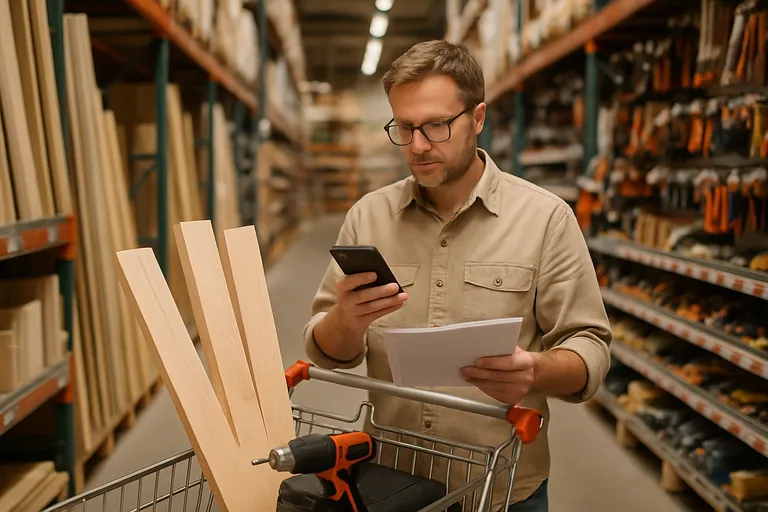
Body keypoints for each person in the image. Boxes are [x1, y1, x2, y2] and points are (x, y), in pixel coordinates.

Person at [302, 39, 612, 511]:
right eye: (404, 127)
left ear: (478, 118)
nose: (418, 145)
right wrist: (345, 320)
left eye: (436, 125)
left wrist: (534, 370)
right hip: (391, 483)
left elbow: (589, 347)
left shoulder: (545, 219)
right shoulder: (369, 217)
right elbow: (329, 353)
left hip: (502, 489)